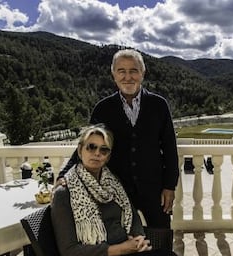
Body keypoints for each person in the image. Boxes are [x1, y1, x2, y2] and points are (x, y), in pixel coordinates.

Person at [57, 49, 179, 229]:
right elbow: (87, 146)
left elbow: (170, 148)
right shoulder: (103, 109)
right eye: (121, 71)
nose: (127, 77)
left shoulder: (159, 105)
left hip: (154, 189)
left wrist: (170, 186)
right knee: (121, 240)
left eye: (133, 71)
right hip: (115, 190)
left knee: (161, 237)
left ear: (142, 74)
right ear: (114, 75)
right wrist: (63, 175)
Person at [51, 125, 189, 256]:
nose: (97, 153)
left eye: (104, 150)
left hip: (124, 255)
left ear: (108, 157)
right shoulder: (65, 193)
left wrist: (138, 238)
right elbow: (69, 252)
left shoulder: (111, 183)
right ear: (80, 150)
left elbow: (132, 214)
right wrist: (121, 249)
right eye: (91, 147)